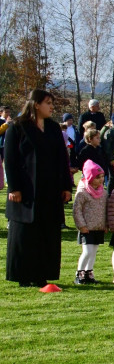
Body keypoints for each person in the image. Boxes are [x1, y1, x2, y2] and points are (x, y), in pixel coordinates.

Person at [4, 90, 74, 287]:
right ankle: (23, 275)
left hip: (50, 190)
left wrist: (66, 186)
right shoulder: (17, 127)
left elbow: (62, 159)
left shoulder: (53, 128)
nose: (52, 107)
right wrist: (14, 188)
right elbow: (10, 160)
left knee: (47, 232)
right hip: (25, 191)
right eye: (48, 103)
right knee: (25, 233)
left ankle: (42, 274)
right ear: (36, 104)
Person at [72, 160, 107, 285]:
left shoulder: (104, 193)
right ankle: (80, 273)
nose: (101, 180)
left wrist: (106, 224)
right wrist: (81, 225)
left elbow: (106, 210)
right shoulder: (82, 193)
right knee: (87, 252)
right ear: (90, 178)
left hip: (98, 227)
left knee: (94, 252)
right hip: (87, 228)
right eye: (97, 177)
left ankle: (89, 272)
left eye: (102, 177)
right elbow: (77, 210)